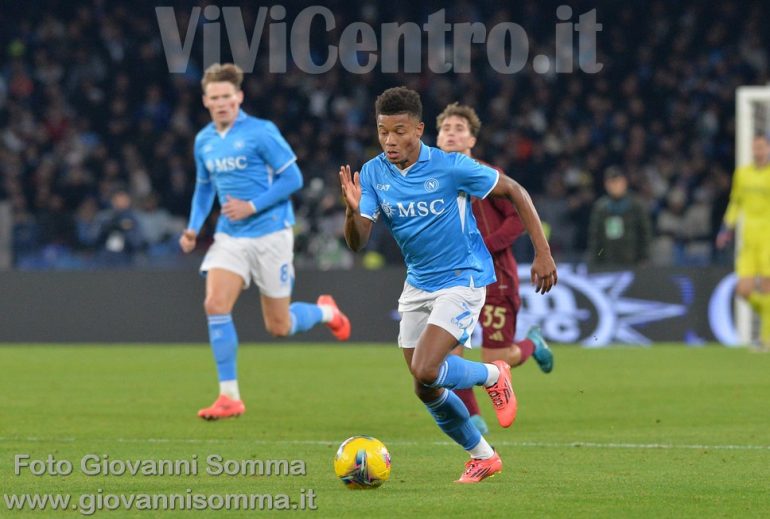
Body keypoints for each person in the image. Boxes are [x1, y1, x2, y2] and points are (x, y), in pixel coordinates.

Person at [339, 87, 557, 483]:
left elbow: (515, 191)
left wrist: (543, 253)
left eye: (399, 131)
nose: (390, 140)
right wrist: (352, 213)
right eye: (383, 131)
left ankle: (493, 375)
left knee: (426, 367)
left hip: (464, 277)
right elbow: (358, 241)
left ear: (419, 130)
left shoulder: (451, 166)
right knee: (424, 387)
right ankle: (483, 455)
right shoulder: (372, 173)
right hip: (418, 283)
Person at [179, 63, 351, 420]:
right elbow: (204, 187)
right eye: (215, 98)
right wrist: (194, 227)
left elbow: (293, 178)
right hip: (230, 237)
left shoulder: (261, 132)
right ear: (206, 101)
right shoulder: (204, 141)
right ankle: (229, 396)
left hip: (272, 234)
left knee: (279, 326)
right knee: (214, 304)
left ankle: (326, 312)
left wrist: (252, 205)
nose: (222, 102)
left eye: (228, 96)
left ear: (239, 97)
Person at [435, 103, 554, 436]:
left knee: (496, 356)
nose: (452, 133)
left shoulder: (486, 176)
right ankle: (472, 418)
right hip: (453, 281)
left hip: (495, 279)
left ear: (472, 139)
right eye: (446, 128)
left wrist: (481, 246)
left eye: (460, 128)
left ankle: (532, 344)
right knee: (448, 354)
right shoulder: (430, 179)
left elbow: (517, 217)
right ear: (437, 136)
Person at [716, 134, 770, 351]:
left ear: (768, 149)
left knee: (767, 287)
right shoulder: (743, 174)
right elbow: (735, 203)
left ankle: (765, 340)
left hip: (768, 239)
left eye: (762, 147)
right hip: (748, 240)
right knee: (743, 290)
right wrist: (726, 228)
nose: (758, 151)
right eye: (755, 147)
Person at [587, 166, 652, 266]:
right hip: (608, 260)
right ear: (606, 185)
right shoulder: (601, 208)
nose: (615, 186)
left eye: (618, 182)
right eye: (611, 183)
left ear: (625, 183)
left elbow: (644, 234)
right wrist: (597, 258)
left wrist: (644, 257)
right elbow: (596, 238)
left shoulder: (636, 205)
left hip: (632, 260)